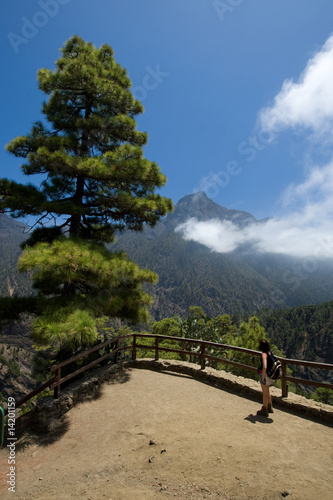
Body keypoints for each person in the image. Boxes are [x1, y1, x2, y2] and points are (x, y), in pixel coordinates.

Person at [257, 339, 275, 417]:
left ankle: (265, 409)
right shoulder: (270, 352)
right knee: (267, 390)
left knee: (264, 392)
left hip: (265, 375)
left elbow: (264, 366)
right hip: (270, 374)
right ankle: (270, 406)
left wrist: (263, 376)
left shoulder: (264, 354)